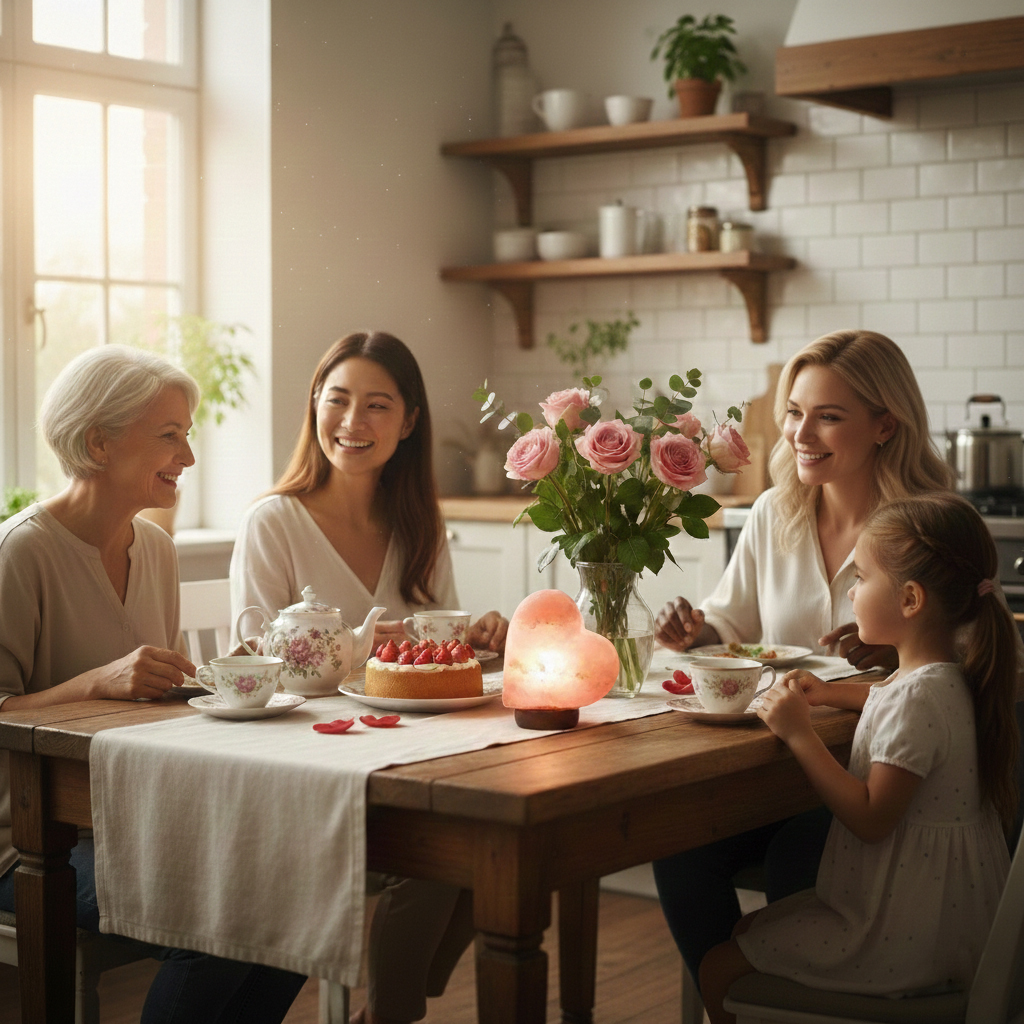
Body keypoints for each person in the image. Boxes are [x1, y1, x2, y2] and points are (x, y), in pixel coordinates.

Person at [0, 346, 306, 1023]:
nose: (189, 457)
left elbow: (146, 702)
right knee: (214, 922)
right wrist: (99, 680)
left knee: (296, 895)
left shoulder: (157, 550)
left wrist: (217, 679)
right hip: (24, 843)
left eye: (187, 434)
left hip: (127, 816)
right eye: (170, 435)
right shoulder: (20, 552)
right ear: (97, 442)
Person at [652, 329, 957, 989]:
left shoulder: (930, 526)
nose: (800, 432)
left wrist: (896, 650)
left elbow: (965, 666)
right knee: (677, 848)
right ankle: (735, 1007)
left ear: (884, 424)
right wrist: (693, 633)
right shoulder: (773, 512)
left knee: (803, 851)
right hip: (775, 767)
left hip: (884, 788)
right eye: (794, 412)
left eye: (828, 416)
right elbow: (732, 625)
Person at [230, 330, 507, 1024]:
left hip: (406, 760)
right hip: (307, 765)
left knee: (506, 838)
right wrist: (356, 652)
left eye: (378, 405)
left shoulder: (419, 523)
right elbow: (254, 667)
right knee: (451, 846)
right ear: (314, 407)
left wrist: (475, 640)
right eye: (338, 400)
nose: (353, 423)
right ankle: (393, 1014)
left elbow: (432, 645)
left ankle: (389, 1009)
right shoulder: (275, 521)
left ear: (409, 421)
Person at [699, 492, 1019, 1023]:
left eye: (862, 579)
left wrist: (800, 735)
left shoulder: (919, 697)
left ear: (910, 599)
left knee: (718, 964)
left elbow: (872, 817)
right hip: (944, 918)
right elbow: (892, 700)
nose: (851, 592)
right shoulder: (947, 678)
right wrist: (829, 695)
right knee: (747, 931)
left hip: (903, 935)